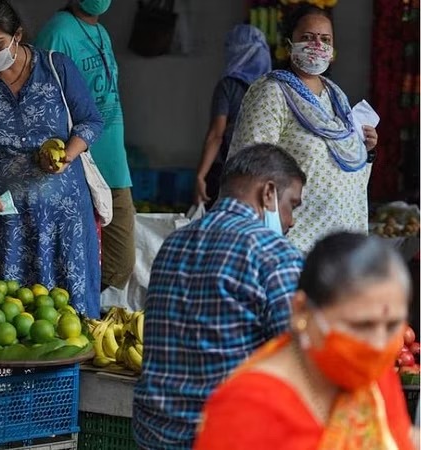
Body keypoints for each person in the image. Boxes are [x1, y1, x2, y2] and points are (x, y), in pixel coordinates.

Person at [133, 143, 306, 449]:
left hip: (155, 434)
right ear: (268, 193)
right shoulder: (274, 254)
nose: (291, 221)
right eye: (292, 204)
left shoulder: (172, 244)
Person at [0, 0, 104, 317]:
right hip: (4, 216)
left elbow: (91, 121)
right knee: (9, 312)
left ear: (17, 35)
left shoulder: (55, 67)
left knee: (67, 309)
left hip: (64, 214)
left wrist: (67, 156)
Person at [194, 232, 419, 450]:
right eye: (361, 326)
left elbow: (398, 436)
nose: (378, 344)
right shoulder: (245, 409)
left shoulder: (368, 371)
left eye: (392, 326)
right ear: (302, 311)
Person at [229, 5, 378, 253]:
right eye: (307, 38)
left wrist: (367, 151)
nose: (317, 45)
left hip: (342, 242)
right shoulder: (271, 92)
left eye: (325, 39)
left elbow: (348, 167)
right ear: (289, 46)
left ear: (332, 51)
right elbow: (250, 163)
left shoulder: (337, 98)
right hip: (295, 241)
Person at [35, 0, 135, 291]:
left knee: (119, 266)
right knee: (72, 264)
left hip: (114, 166)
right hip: (77, 166)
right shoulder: (58, 32)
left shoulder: (102, 32)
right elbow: (42, 101)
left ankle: (90, 320)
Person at [194, 24, 271, 205]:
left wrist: (200, 175)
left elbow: (216, 135)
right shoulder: (272, 87)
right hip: (265, 169)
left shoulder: (228, 86)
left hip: (230, 171)